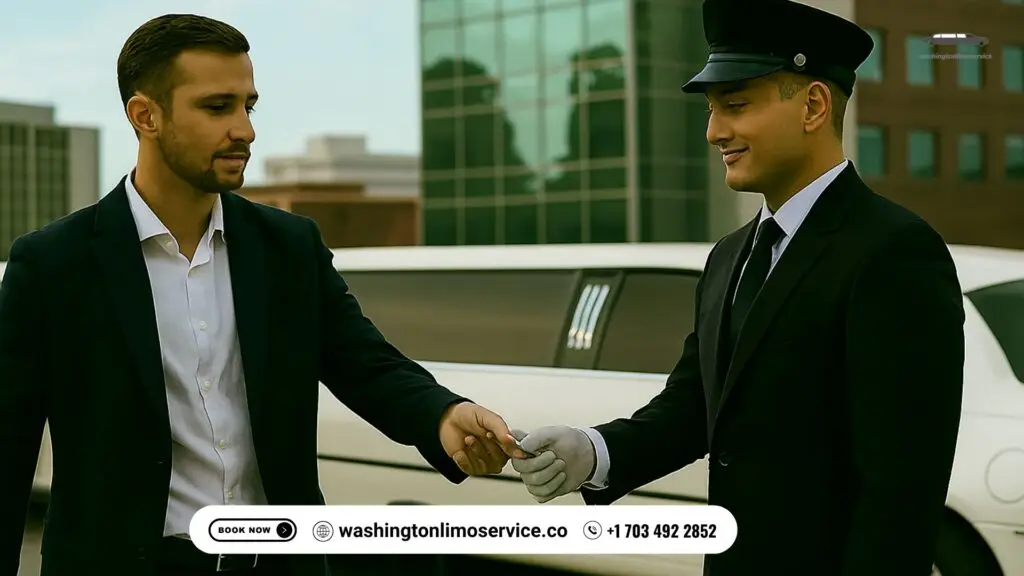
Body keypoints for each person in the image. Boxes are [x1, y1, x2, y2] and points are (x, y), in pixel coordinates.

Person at [0, 14, 525, 576]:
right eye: (217, 107)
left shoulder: (289, 247)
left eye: (248, 106)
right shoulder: (54, 265)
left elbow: (366, 365)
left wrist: (444, 414)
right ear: (145, 115)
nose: (244, 129)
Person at [510, 0, 965, 574]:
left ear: (814, 106)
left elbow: (900, 494)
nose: (713, 131)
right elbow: (698, 405)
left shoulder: (894, 252)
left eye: (735, 105)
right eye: (710, 109)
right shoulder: (729, 256)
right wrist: (594, 452)